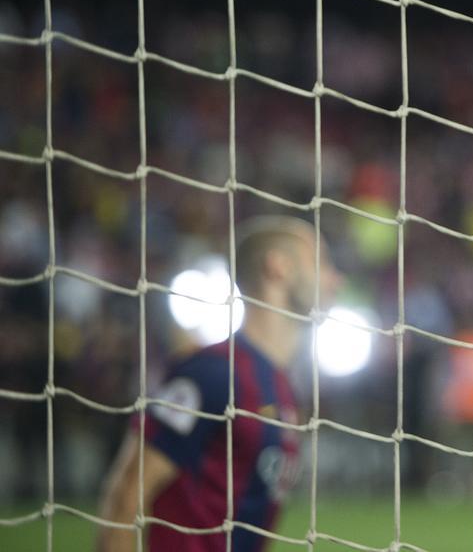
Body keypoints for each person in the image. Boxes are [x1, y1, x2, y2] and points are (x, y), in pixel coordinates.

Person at [96, 216, 342, 552]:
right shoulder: (213, 373)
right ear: (279, 266)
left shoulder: (283, 388)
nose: (335, 279)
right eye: (321, 262)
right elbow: (126, 496)